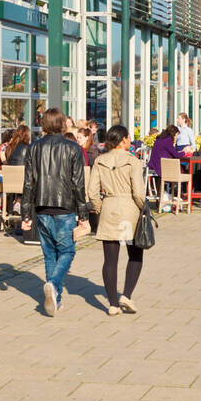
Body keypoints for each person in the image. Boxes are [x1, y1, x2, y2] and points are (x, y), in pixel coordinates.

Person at [21, 107, 89, 316]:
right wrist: (83, 213)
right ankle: (53, 283)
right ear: (63, 124)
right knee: (67, 251)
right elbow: (78, 183)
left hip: (42, 207)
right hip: (64, 207)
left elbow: (29, 183)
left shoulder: (34, 148)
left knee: (50, 254)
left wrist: (25, 213)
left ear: (44, 125)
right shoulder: (72, 148)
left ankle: (55, 299)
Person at [87, 125, 149, 315]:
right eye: (128, 138)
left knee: (110, 259)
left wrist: (99, 208)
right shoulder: (132, 161)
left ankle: (112, 304)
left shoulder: (100, 160)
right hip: (129, 208)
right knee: (135, 254)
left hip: (109, 207)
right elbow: (138, 192)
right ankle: (127, 295)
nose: (130, 140)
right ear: (123, 140)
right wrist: (143, 208)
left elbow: (92, 192)